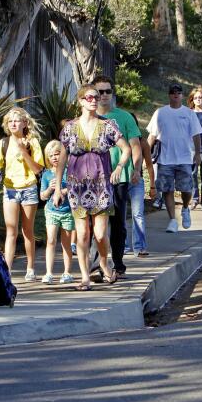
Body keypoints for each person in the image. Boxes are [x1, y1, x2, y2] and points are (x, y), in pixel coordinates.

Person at [53, 84, 131, 291]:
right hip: (77, 186)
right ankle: (85, 276)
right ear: (80, 101)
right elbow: (62, 158)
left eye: (96, 97)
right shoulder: (70, 127)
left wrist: (120, 167)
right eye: (89, 97)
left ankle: (104, 262)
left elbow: (126, 149)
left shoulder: (108, 125)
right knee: (82, 234)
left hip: (101, 185)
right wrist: (56, 189)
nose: (94, 100)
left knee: (99, 233)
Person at [0, 107, 45, 280]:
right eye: (10, 121)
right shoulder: (3, 143)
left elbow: (38, 168)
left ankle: (30, 268)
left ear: (25, 123)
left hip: (28, 188)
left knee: (27, 230)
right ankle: (7, 270)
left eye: (16, 120)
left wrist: (23, 152)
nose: (13, 123)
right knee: (10, 231)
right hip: (10, 190)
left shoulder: (32, 142)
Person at [94, 75, 141, 276]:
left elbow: (135, 146)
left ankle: (118, 263)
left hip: (119, 177)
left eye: (107, 91)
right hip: (94, 178)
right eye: (99, 91)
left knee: (118, 222)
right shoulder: (88, 117)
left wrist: (136, 170)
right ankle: (96, 263)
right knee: (94, 223)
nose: (103, 95)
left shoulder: (124, 117)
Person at [147, 83, 202, 232]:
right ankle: (172, 220)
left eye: (178, 92)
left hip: (184, 158)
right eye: (172, 92)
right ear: (169, 95)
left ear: (182, 95)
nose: (175, 94)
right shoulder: (160, 112)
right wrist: (145, 153)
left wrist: (197, 153)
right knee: (167, 189)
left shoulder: (189, 113)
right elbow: (152, 135)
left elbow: (196, 134)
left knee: (186, 189)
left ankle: (185, 208)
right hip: (165, 159)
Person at [39, 140, 75, 284]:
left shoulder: (69, 171)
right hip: (52, 211)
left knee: (66, 243)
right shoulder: (47, 174)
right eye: (51, 155)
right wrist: (50, 189)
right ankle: (48, 273)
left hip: (67, 212)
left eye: (57, 154)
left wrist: (63, 190)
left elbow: (75, 187)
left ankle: (67, 272)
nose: (54, 157)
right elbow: (42, 195)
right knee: (51, 240)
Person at [126, 112, 156, 257]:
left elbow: (149, 165)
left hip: (136, 181)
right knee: (120, 215)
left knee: (138, 214)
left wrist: (152, 186)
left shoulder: (143, 142)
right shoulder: (118, 139)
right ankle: (123, 246)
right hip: (120, 180)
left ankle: (140, 247)